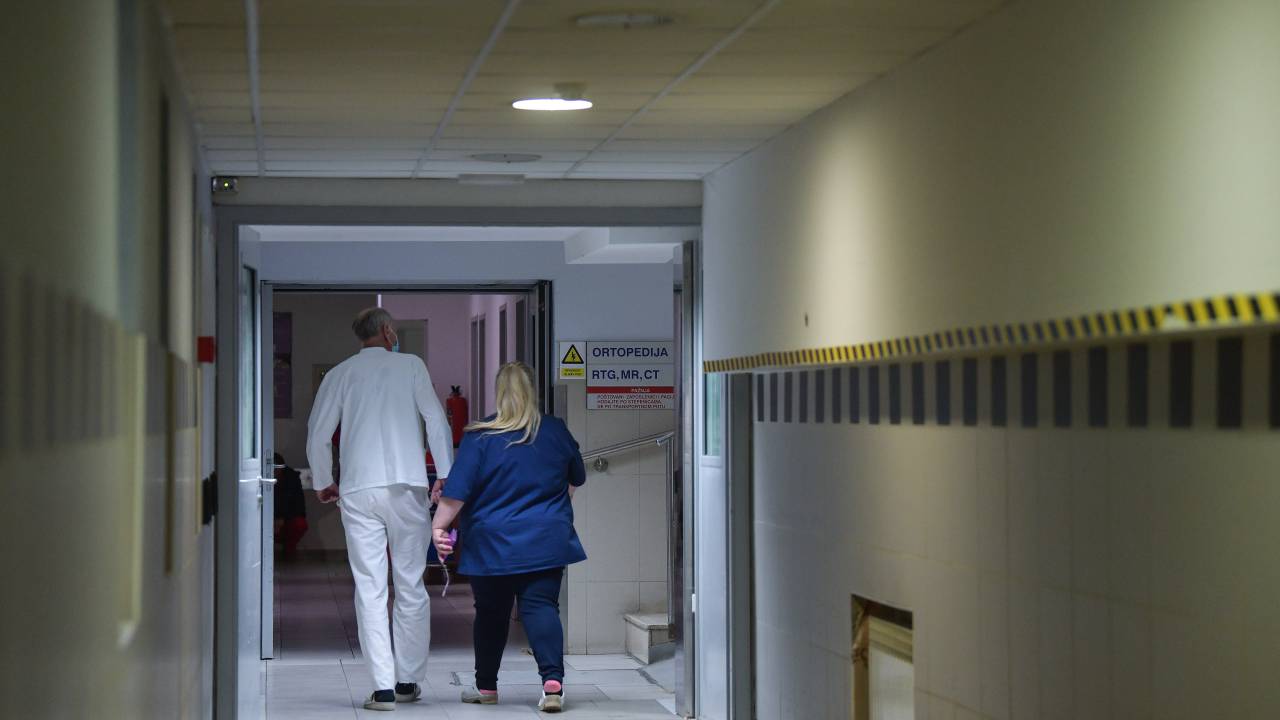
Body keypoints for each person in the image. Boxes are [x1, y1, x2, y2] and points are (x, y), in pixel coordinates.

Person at [306, 307, 454, 712]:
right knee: (410, 584)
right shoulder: (411, 366)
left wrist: (324, 481)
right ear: (388, 331)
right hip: (408, 487)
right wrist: (446, 474)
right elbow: (436, 421)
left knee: (370, 588)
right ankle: (408, 680)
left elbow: (318, 434)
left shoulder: (340, 374)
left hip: (359, 490)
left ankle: (383, 688)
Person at [432, 362, 587, 714]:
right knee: (541, 606)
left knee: (491, 613)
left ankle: (486, 687)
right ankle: (552, 684)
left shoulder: (479, 436)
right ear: (533, 390)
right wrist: (551, 510)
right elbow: (575, 478)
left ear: (498, 391)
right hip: (546, 538)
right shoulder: (555, 430)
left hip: (492, 543)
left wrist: (438, 527)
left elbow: (457, 493)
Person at [272, 452, 307, 559]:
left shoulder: (292, 479)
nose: (274, 472)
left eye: (276, 469)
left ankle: (289, 551)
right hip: (265, 521)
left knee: (299, 524)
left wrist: (282, 518)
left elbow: (299, 506)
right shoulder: (260, 479)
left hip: (286, 522)